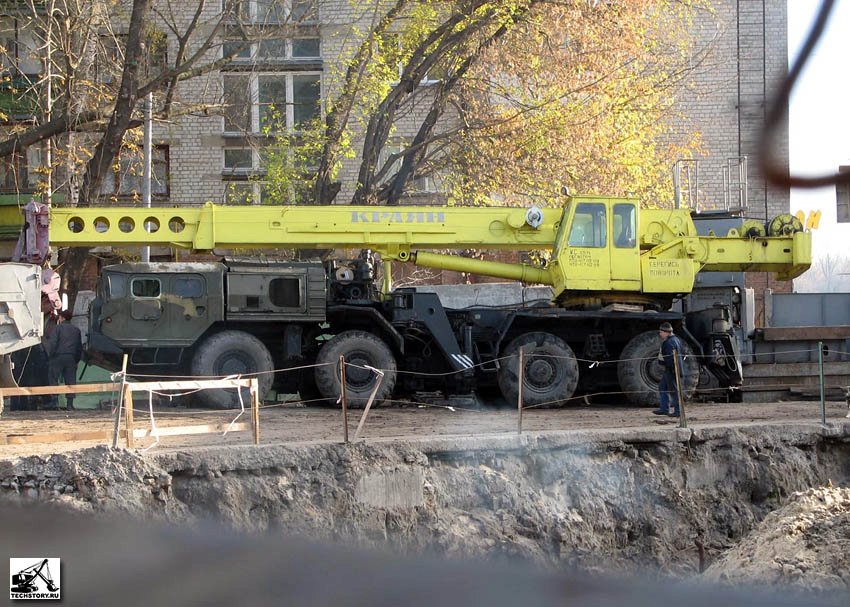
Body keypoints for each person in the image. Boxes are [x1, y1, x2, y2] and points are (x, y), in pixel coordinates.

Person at [44, 309, 83, 411]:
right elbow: (79, 347)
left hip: (58, 357)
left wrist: (50, 356)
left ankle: (54, 402)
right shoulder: (76, 330)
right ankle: (70, 405)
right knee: (71, 381)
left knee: (53, 378)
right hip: (71, 358)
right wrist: (76, 360)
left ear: (62, 318)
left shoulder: (58, 328)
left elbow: (53, 343)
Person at [652, 322, 684, 418]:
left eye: (661, 332)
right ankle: (664, 408)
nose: (660, 334)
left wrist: (667, 366)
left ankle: (677, 411)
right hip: (672, 369)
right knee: (662, 387)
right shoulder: (676, 340)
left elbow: (670, 358)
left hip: (672, 370)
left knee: (674, 391)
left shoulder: (669, 343)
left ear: (666, 332)